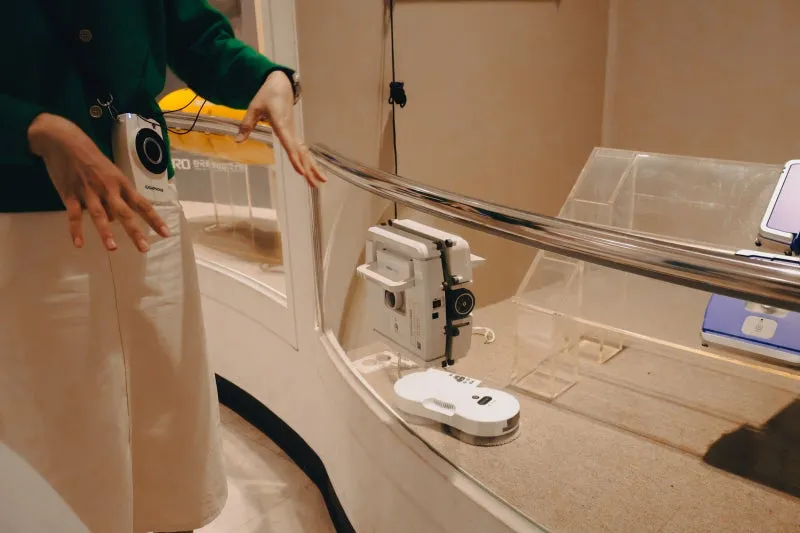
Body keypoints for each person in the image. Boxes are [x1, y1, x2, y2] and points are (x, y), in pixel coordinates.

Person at [0, 2, 325, 532]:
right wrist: (30, 126)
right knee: (59, 430)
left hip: (146, 197)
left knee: (168, 411)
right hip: (29, 217)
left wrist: (265, 77)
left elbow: (190, 29)